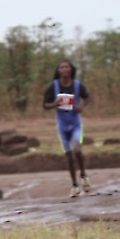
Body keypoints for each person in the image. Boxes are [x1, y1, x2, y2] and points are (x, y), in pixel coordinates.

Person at [43, 60, 91, 198]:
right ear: (58, 71)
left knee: (77, 149)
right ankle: (74, 185)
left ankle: (83, 175)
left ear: (71, 69)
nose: (64, 69)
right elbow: (45, 105)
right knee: (69, 155)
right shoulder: (53, 86)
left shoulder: (77, 85)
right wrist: (54, 104)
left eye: (66, 67)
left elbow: (87, 97)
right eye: (61, 67)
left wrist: (81, 106)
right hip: (62, 125)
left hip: (75, 123)